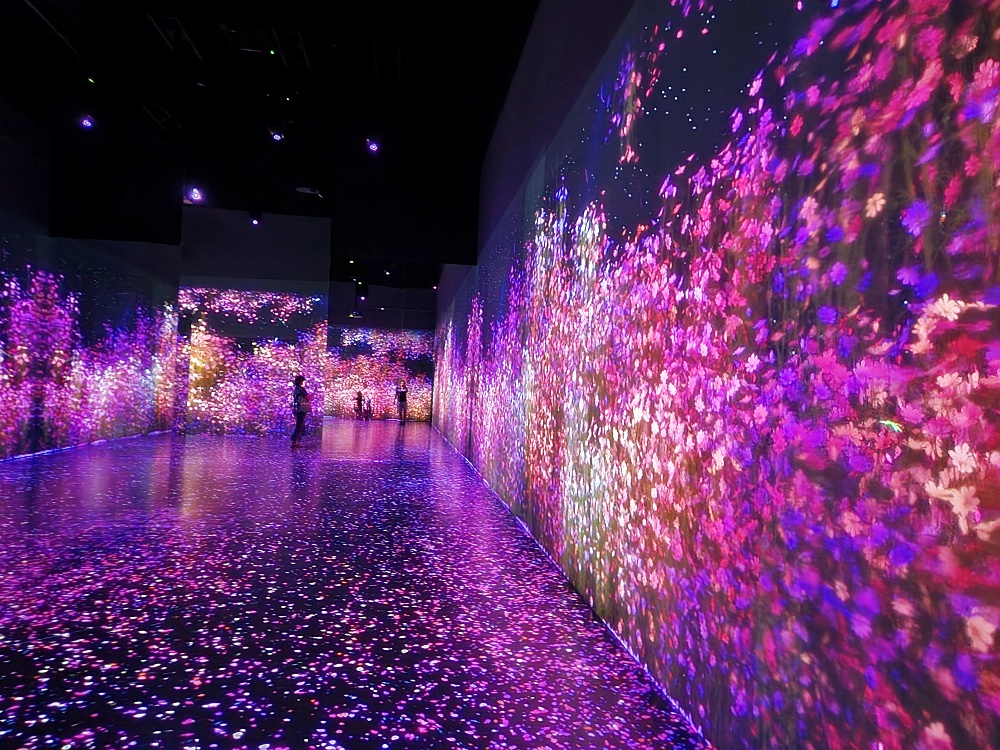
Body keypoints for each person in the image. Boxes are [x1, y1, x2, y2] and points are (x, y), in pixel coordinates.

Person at [291, 375, 309, 447]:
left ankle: (295, 441)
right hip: (301, 409)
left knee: (299, 425)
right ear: (301, 381)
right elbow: (307, 397)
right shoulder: (301, 389)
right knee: (299, 426)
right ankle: (294, 441)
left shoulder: (296, 389)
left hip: (297, 409)